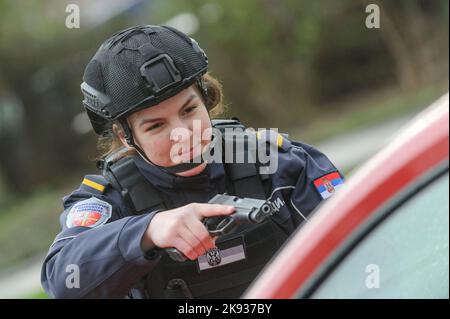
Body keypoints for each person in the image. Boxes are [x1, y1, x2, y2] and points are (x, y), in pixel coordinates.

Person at [41, 24, 344, 299]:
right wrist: (147, 231)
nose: (183, 134)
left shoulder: (278, 163)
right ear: (125, 136)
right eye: (156, 126)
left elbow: (359, 247)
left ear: (207, 98)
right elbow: (61, 281)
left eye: (188, 111)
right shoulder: (113, 200)